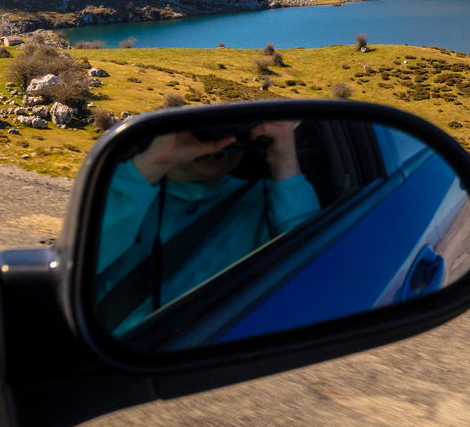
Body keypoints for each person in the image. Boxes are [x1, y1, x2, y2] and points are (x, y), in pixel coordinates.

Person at [94, 120, 321, 336]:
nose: (217, 141)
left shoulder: (264, 200)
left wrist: (284, 162)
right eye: (200, 131)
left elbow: (306, 273)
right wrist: (155, 161)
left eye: (232, 132)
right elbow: (89, 254)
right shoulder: (132, 188)